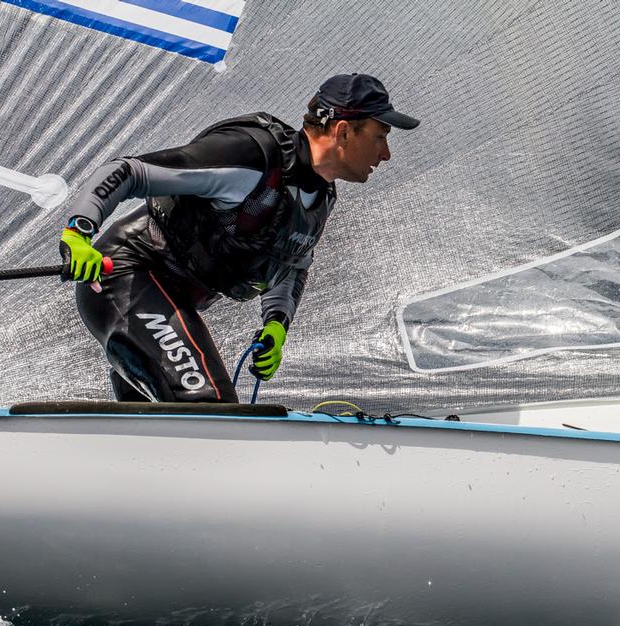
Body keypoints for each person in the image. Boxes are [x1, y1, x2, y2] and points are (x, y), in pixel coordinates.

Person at [58, 73, 419, 402]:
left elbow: (290, 265)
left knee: (175, 420)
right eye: (381, 137)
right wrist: (78, 233)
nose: (385, 154)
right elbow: (128, 171)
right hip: (124, 274)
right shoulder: (252, 157)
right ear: (343, 132)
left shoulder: (320, 196)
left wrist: (277, 323)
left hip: (169, 303)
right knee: (209, 405)